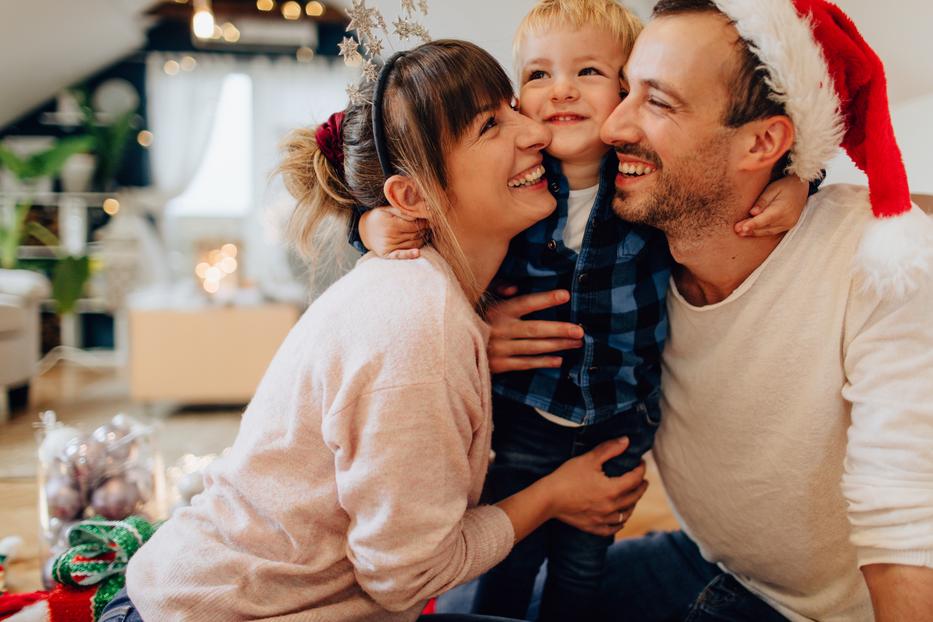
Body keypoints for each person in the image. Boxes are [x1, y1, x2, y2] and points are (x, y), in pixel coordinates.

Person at [102, 40, 649, 622]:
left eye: (513, 106)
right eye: (491, 125)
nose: (534, 132)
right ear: (411, 198)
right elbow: (405, 575)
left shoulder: (430, 292)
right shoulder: (417, 322)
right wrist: (555, 495)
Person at [354, 2, 813, 619]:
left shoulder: (649, 185)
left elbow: (745, 164)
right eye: (538, 76)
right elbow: (422, 192)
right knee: (506, 564)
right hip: (528, 413)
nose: (561, 89)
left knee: (581, 571)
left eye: (590, 72)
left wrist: (798, 181)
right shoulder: (514, 179)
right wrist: (371, 223)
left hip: (619, 419)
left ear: (626, 94)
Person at [574, 0, 932, 620]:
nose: (614, 127)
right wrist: (486, 325)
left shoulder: (879, 261)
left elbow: (902, 508)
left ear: (764, 141)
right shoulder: (627, 248)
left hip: (824, 610)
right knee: (475, 604)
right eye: (627, 89)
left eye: (658, 101)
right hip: (711, 560)